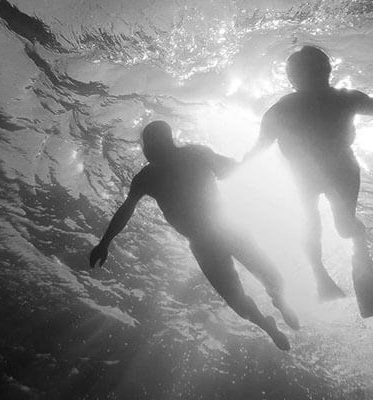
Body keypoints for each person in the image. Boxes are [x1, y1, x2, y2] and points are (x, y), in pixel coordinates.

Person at [90, 121, 299, 351]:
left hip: (227, 227)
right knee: (237, 301)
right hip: (203, 244)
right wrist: (104, 242)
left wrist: (239, 165)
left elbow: (230, 169)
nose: (148, 149)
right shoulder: (146, 177)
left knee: (271, 276)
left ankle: (281, 302)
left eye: (152, 142)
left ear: (168, 141)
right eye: (146, 144)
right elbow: (126, 210)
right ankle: (267, 326)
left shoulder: (194, 154)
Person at [244, 45, 373, 317]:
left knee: (325, 223)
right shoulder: (325, 102)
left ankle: (331, 269)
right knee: (332, 224)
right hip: (328, 171)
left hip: (328, 171)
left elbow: (258, 149)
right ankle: (332, 268)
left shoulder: (295, 106)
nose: (312, 77)